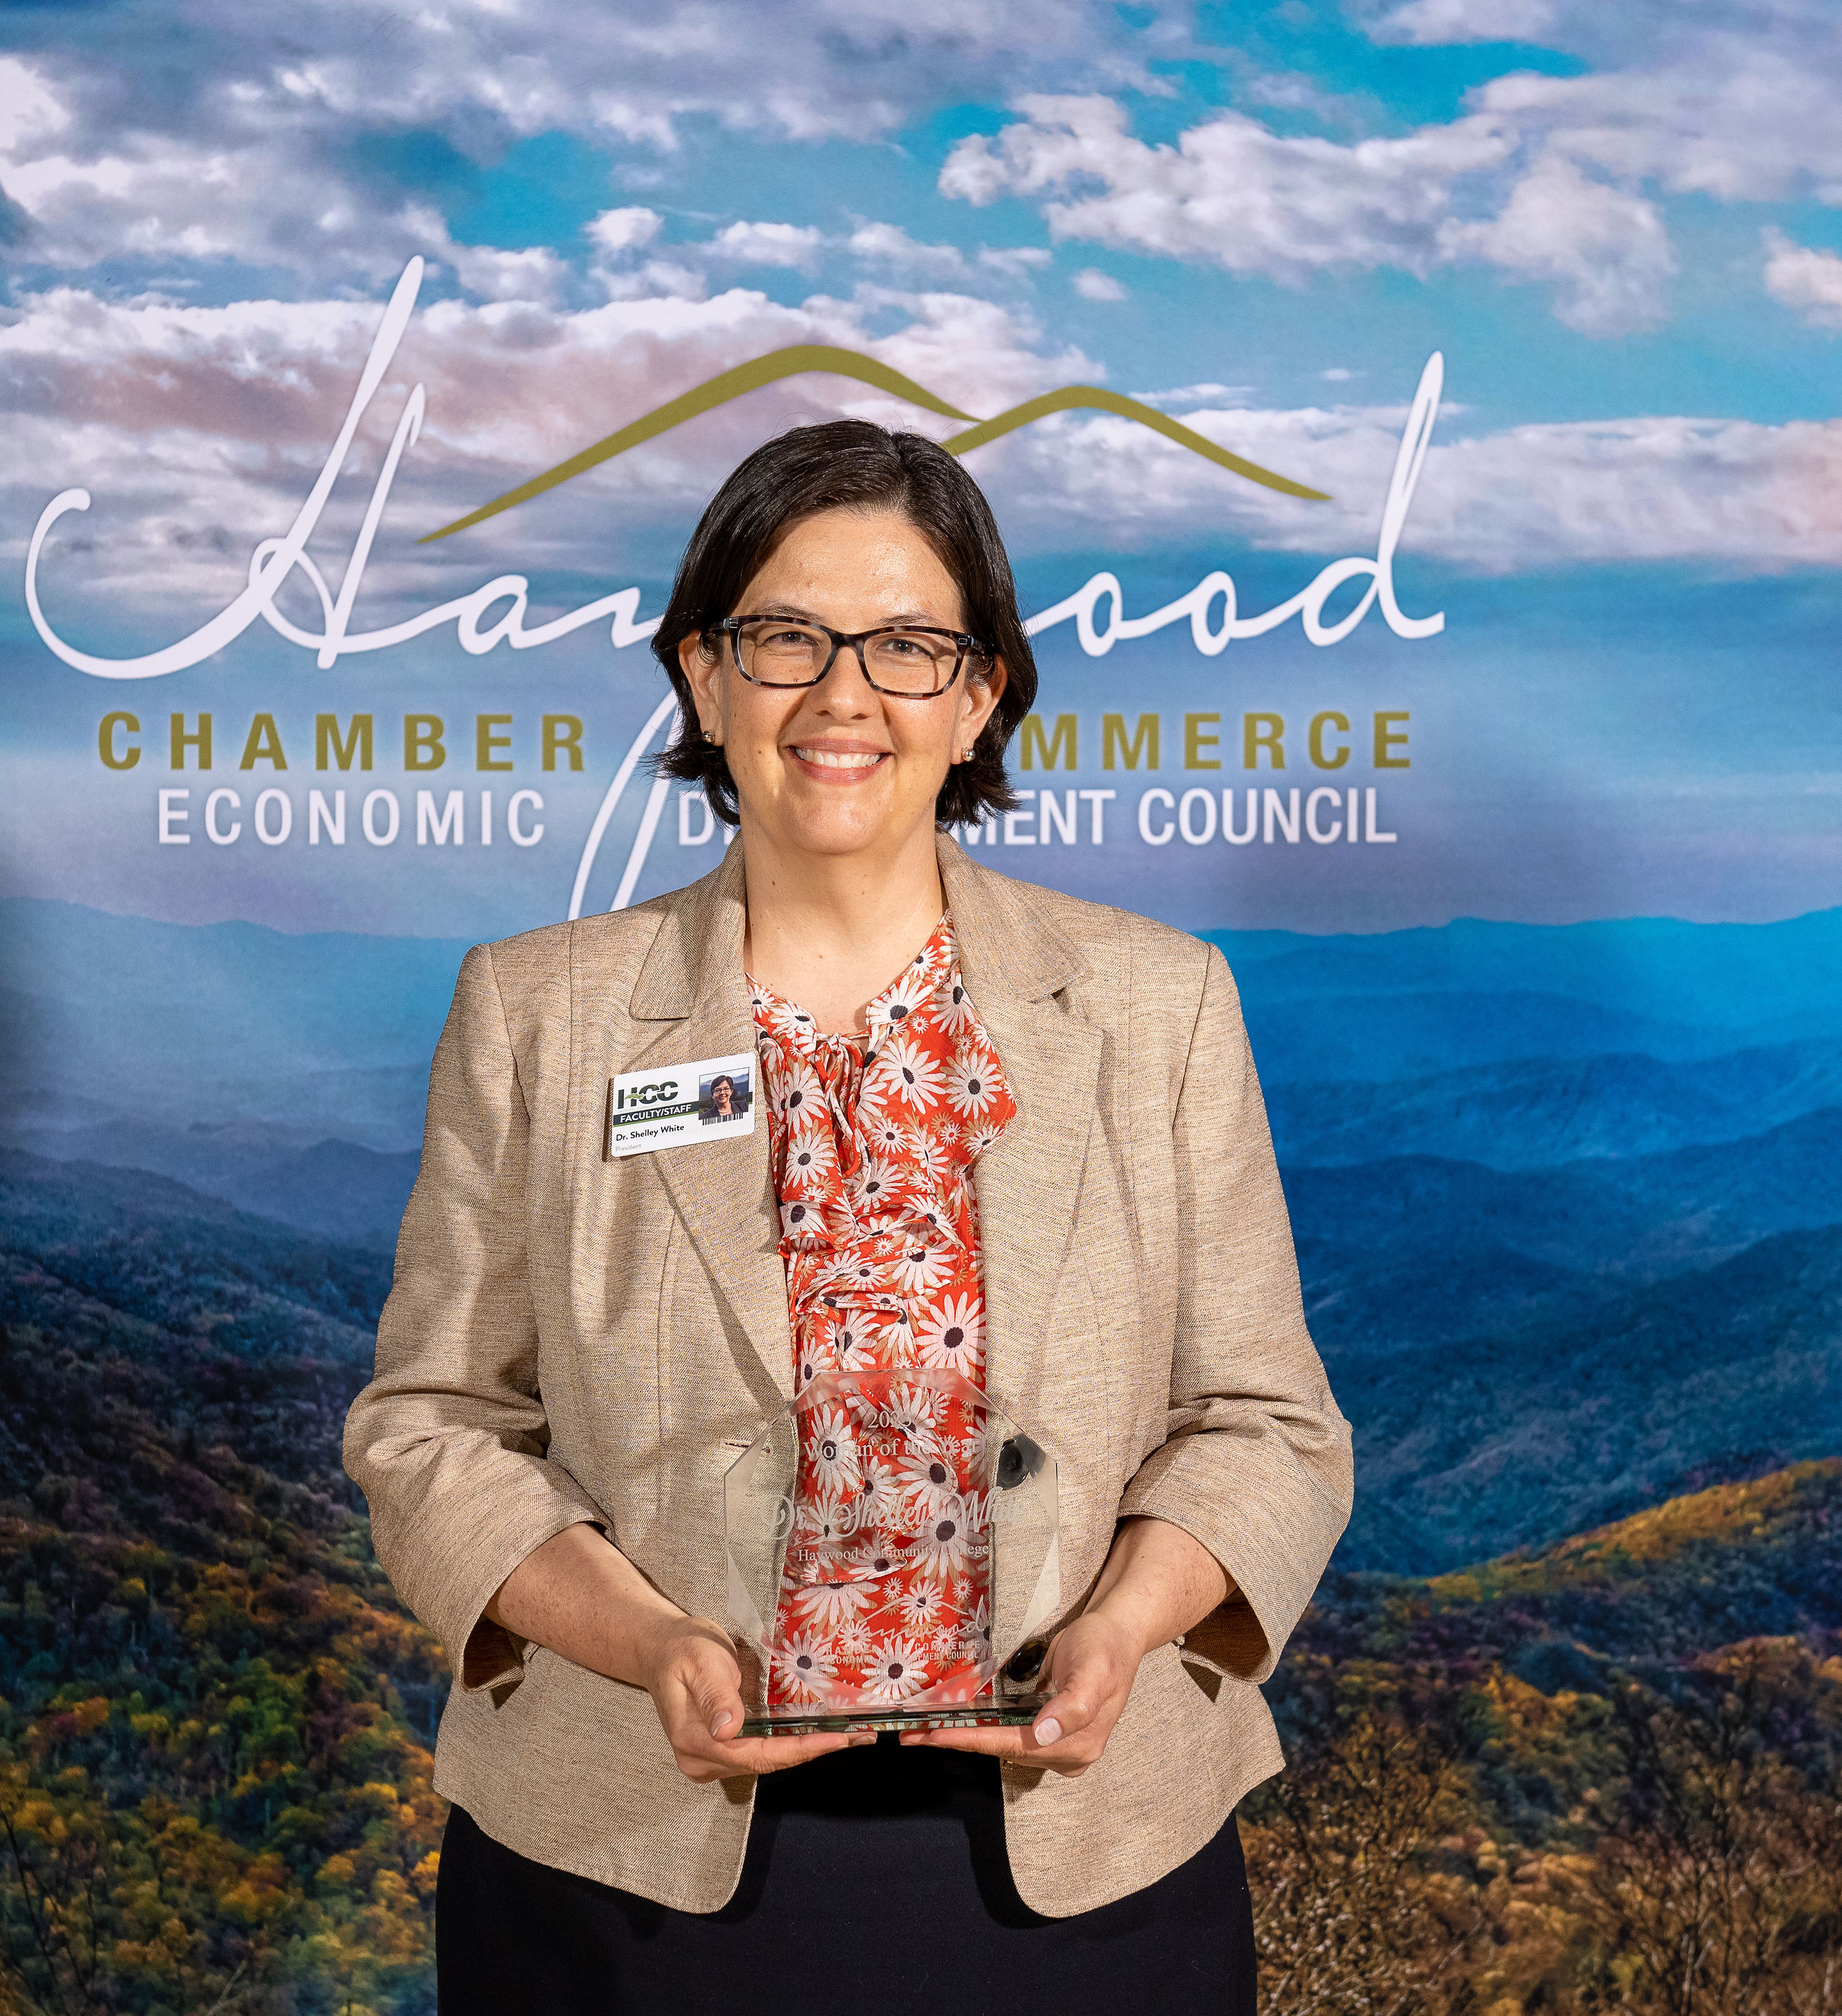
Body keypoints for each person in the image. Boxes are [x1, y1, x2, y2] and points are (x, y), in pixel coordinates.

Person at [344, 419, 1352, 2012]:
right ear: (703, 676)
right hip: (626, 1877)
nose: (841, 696)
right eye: (785, 638)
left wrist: (1127, 1626)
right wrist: (643, 1648)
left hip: (1087, 1869)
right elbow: (433, 1427)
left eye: (906, 646)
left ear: (982, 695)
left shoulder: (1161, 1008)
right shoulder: (539, 1015)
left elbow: (1267, 1424)